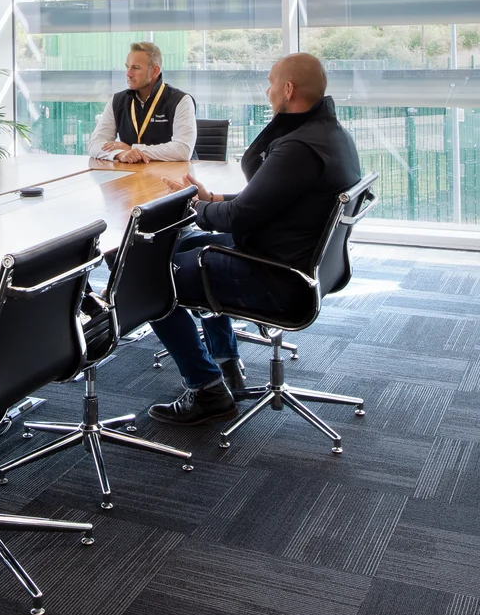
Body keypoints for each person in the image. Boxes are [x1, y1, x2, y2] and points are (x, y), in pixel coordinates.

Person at [147, 53, 362, 425]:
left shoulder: (298, 147)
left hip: (276, 276)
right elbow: (265, 203)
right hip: (293, 260)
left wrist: (195, 208)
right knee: (181, 248)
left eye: (271, 83)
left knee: (150, 279)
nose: (267, 91)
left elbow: (237, 218)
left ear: (288, 89)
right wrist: (210, 199)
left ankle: (207, 389)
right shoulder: (331, 134)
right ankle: (226, 363)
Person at [88, 42, 197, 163]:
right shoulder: (117, 100)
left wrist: (133, 149)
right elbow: (95, 144)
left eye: (136, 68)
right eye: (127, 66)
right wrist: (120, 153)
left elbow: (183, 150)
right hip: (132, 175)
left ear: (155, 71)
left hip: (173, 177)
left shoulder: (181, 101)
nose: (128, 73)